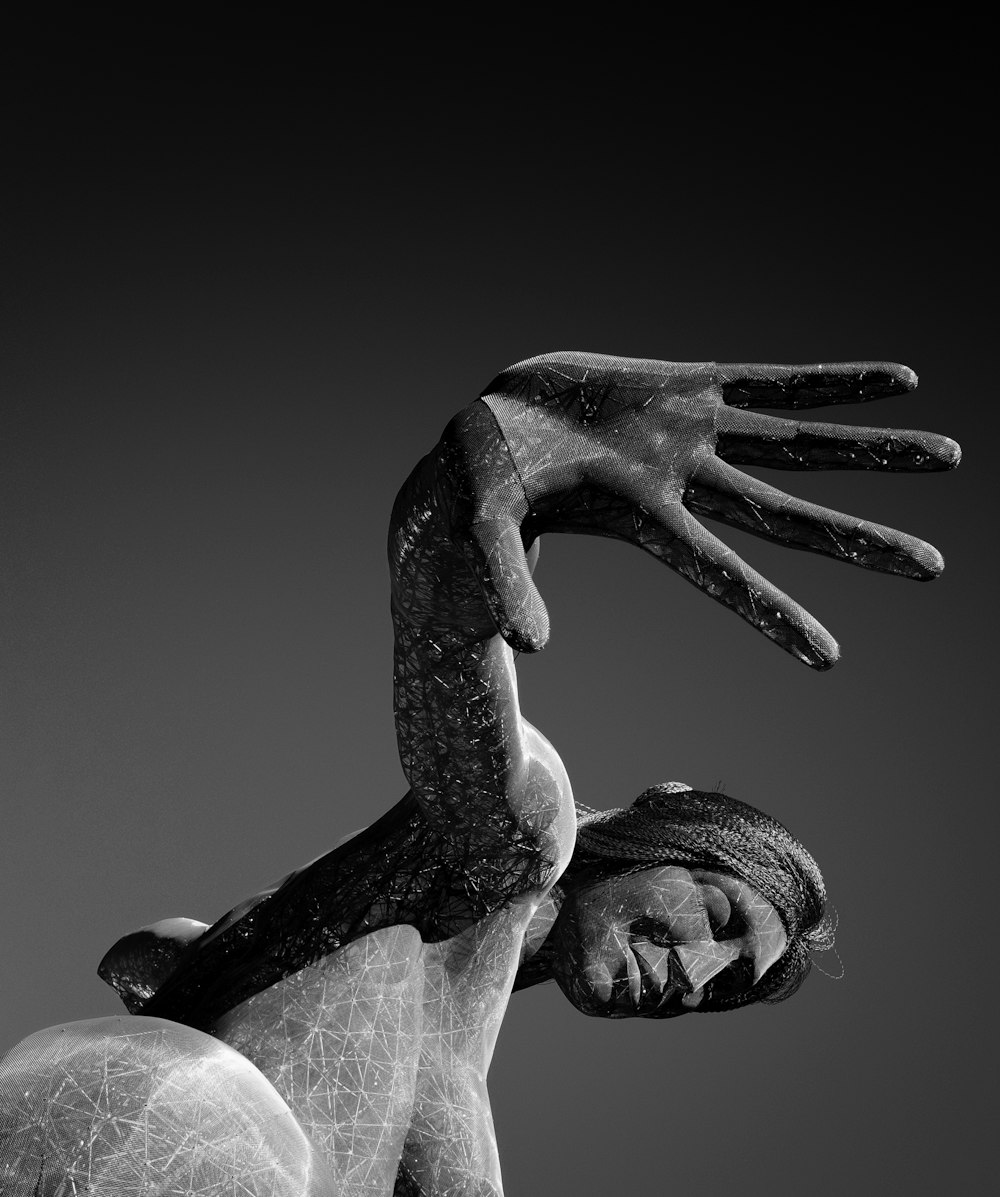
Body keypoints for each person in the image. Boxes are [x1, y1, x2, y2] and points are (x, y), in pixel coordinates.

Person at [0, 353, 960, 1196]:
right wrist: (505, 464)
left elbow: (156, 956)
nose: (694, 975)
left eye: (723, 986)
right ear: (661, 825)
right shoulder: (524, 834)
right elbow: (452, 660)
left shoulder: (455, 1052)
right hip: (176, 1128)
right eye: (715, 912)